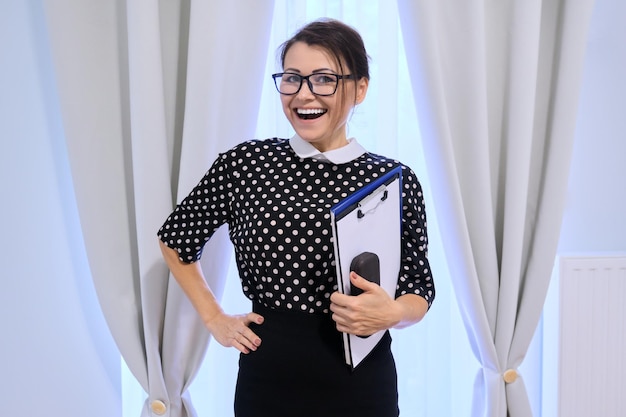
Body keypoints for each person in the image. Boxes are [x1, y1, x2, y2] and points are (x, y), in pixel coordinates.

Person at [158, 18, 434, 417]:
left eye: (324, 79)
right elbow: (177, 238)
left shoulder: (392, 180)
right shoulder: (246, 164)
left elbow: (418, 288)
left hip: (362, 379)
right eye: (292, 78)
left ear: (360, 88)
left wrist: (394, 312)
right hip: (269, 376)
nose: (304, 94)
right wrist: (214, 317)